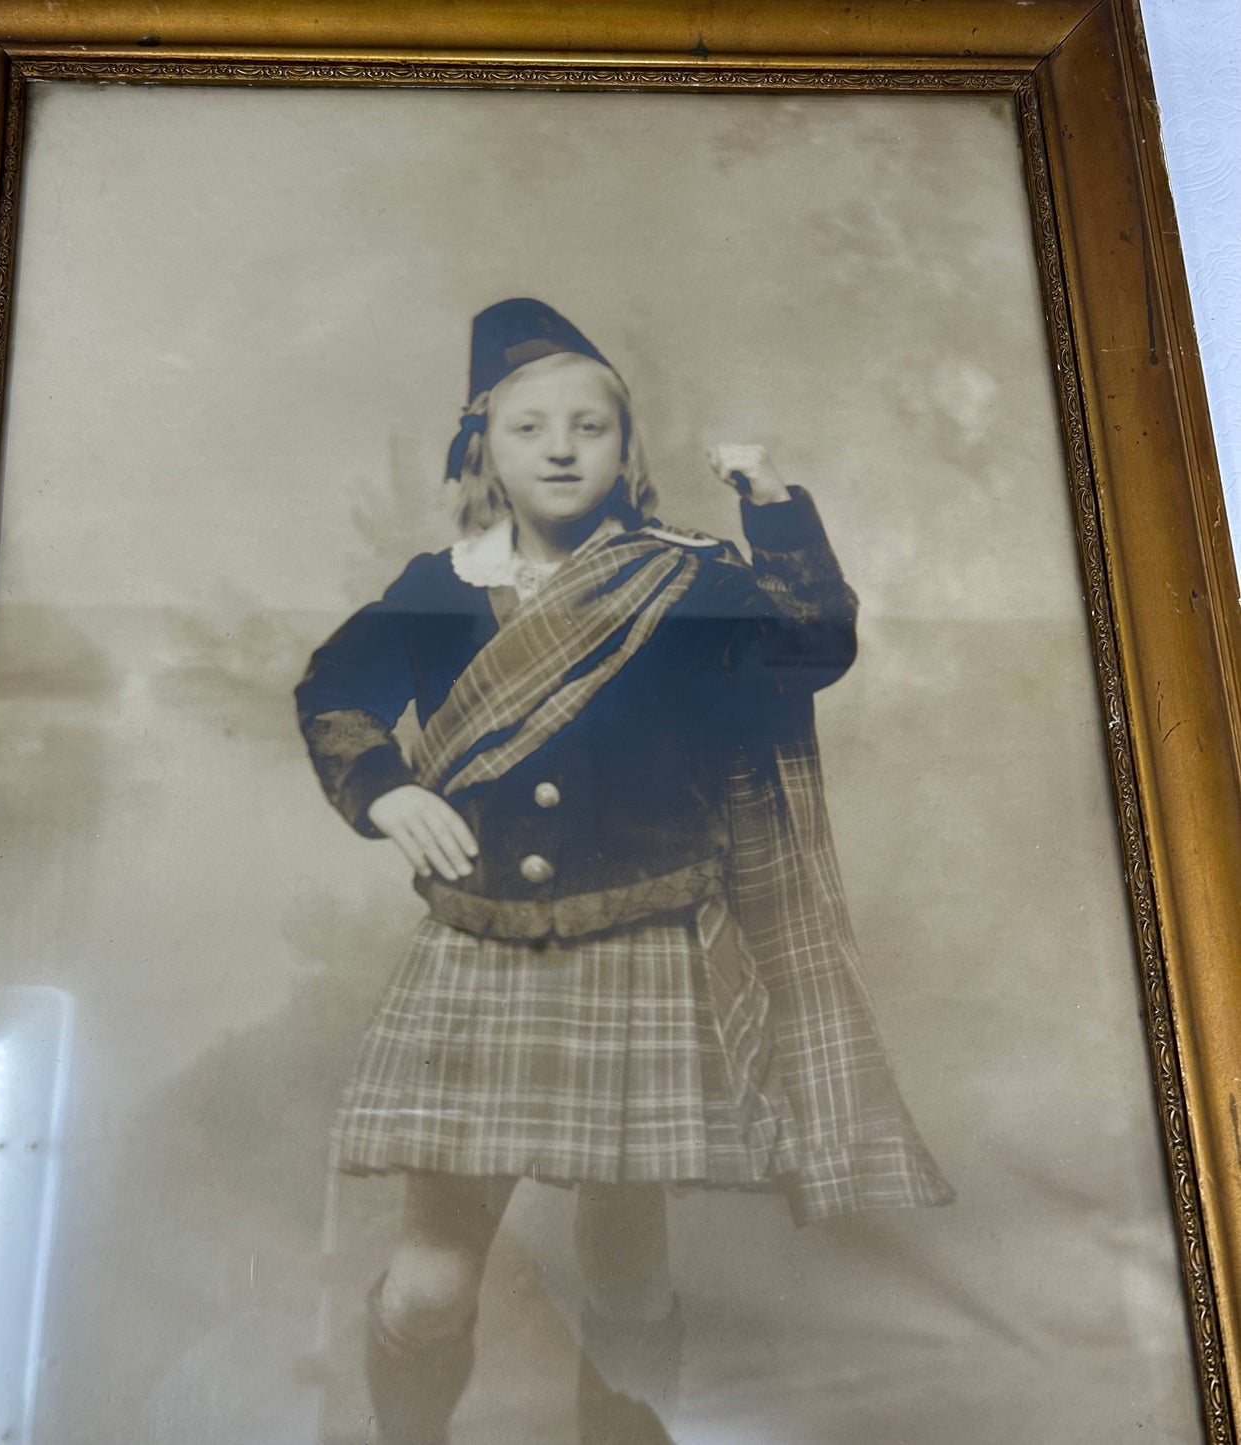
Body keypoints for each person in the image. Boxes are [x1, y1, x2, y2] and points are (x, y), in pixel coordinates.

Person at [295, 298, 952, 1445]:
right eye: (529, 426)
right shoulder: (440, 582)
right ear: (481, 451)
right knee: (430, 1283)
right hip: (478, 951)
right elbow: (334, 693)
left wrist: (768, 505)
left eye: (589, 426)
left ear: (626, 449)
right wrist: (385, 788)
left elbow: (810, 649)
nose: (559, 446)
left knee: (626, 1284)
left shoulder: (686, 577)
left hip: (643, 954)